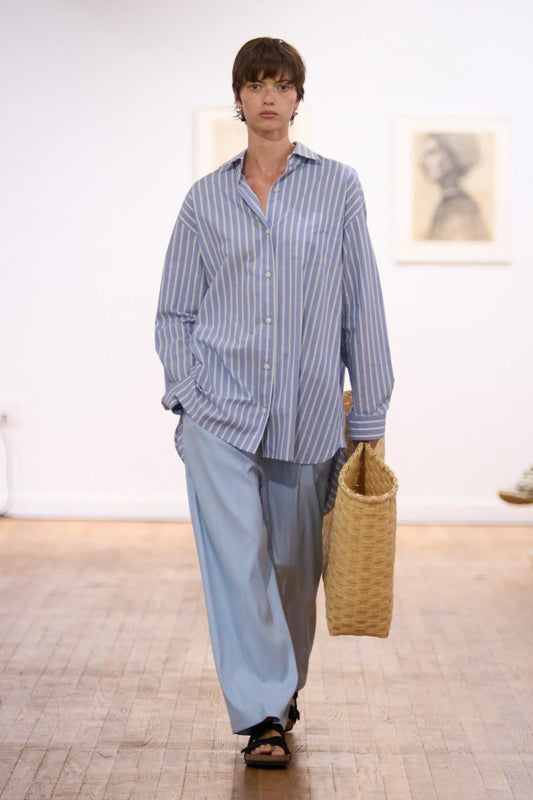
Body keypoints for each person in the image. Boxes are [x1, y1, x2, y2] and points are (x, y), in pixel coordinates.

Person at [155, 37, 394, 768]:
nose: (268, 96)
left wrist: (369, 415)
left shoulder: (338, 187)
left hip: (309, 416)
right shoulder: (204, 201)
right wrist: (186, 396)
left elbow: (362, 305)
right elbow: (175, 312)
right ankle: (262, 715)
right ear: (239, 98)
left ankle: (282, 692)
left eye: (281, 84)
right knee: (238, 565)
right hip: (218, 416)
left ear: (297, 98)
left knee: (293, 570)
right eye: (256, 84)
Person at [417, 132, 490, 241]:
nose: (423, 162)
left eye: (431, 153)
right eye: (424, 155)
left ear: (451, 156)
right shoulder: (446, 203)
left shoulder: (460, 208)